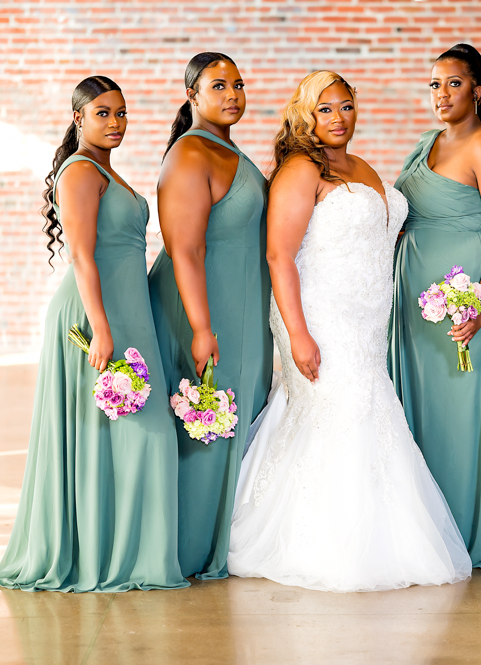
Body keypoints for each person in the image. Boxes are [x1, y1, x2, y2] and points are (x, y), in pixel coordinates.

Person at [228, 71, 472, 592]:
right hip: (319, 314)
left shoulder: (360, 166)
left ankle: (382, 535)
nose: (338, 119)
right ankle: (328, 542)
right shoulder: (301, 169)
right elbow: (279, 254)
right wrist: (297, 332)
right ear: (305, 115)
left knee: (367, 409)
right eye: (325, 110)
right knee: (345, 408)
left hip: (366, 319)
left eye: (345, 107)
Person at [0, 76, 188, 592]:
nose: (115, 123)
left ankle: (127, 551)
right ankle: (101, 554)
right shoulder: (79, 172)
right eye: (103, 113)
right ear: (78, 119)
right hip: (95, 317)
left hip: (128, 311)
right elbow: (80, 255)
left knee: (136, 434)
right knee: (126, 432)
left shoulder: (106, 171)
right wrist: (100, 328)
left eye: (121, 113)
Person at [389, 44, 481, 567]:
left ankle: (471, 528)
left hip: (465, 298)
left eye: (453, 83)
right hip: (415, 296)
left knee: (462, 410)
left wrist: (479, 307)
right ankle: (426, 527)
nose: (441, 94)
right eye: (434, 85)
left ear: (478, 90)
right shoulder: (429, 142)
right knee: (419, 408)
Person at [148, 53, 273, 580]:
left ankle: (221, 537)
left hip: (238, 306)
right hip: (200, 306)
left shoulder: (226, 149)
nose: (232, 94)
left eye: (238, 84)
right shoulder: (191, 154)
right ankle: (191, 546)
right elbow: (185, 248)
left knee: (235, 416)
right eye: (218, 85)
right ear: (192, 96)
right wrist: (200, 326)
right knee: (205, 421)